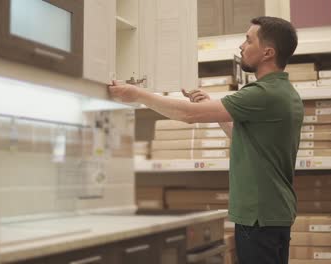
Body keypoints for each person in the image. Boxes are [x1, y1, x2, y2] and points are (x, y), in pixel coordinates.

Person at [109, 16, 304, 264]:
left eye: (248, 40)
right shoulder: (285, 93)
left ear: (267, 52)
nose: (242, 46)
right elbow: (245, 138)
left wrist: (137, 94)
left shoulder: (263, 94)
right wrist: (212, 109)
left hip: (258, 217)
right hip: (272, 213)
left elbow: (187, 115)